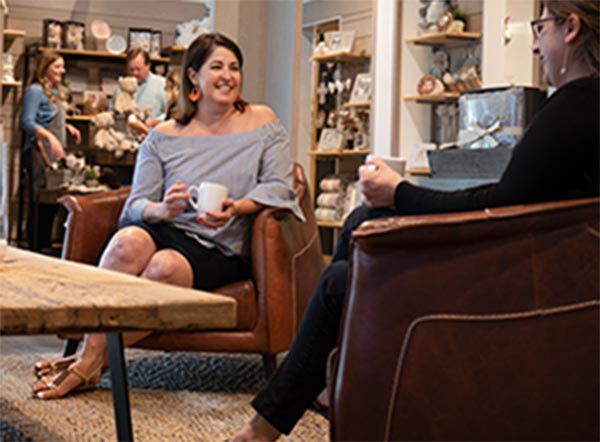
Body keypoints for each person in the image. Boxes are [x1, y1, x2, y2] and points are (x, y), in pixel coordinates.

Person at [232, 1, 599, 439]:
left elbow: (499, 205)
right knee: (365, 218)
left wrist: (400, 192)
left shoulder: (573, 107)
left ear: (571, 28)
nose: (536, 44)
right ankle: (323, 376)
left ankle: (266, 425)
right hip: (539, 270)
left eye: (540, 28)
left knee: (341, 280)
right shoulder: (581, 107)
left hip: (513, 282)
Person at [32, 32, 304, 400]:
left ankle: (87, 360)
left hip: (219, 244)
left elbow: (279, 185)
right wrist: (163, 208)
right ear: (193, 76)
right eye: (217, 67)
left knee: (163, 268)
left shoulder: (262, 122)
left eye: (235, 67)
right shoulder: (164, 135)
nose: (228, 76)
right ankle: (89, 361)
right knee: (128, 241)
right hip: (166, 227)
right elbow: (136, 205)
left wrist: (236, 208)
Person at [21, 50, 82, 251]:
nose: (62, 71)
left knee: (53, 202)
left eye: (62, 66)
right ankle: (36, 249)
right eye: (57, 66)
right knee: (40, 204)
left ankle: (46, 247)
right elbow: (28, 121)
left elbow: (47, 117)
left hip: (53, 153)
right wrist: (49, 136)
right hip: (39, 154)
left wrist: (66, 127)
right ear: (44, 68)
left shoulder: (53, 93)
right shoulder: (35, 91)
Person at [110, 47, 168, 128]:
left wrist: (158, 120)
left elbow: (174, 114)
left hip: (153, 135)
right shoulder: (121, 88)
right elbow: (111, 114)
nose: (135, 73)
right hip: (125, 137)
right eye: (131, 70)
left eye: (138, 69)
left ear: (148, 66)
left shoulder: (163, 85)